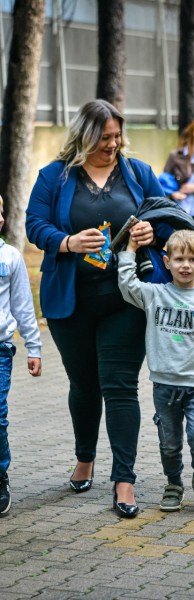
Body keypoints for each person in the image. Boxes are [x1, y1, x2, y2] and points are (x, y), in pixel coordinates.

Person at [26, 99, 165, 518]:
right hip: (71, 302)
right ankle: (84, 457)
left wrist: (151, 230)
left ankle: (124, 480)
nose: (113, 144)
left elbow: (167, 216)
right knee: (84, 385)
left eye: (117, 136)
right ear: (85, 135)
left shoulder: (137, 172)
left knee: (119, 386)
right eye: (104, 137)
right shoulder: (55, 176)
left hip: (126, 299)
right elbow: (34, 224)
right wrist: (67, 242)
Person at [118, 229, 194, 514]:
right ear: (166, 261)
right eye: (179, 258)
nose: (186, 265)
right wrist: (129, 250)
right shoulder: (155, 294)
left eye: (192, 259)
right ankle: (173, 483)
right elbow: (127, 284)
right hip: (164, 385)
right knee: (169, 442)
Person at [0, 195, 42, 516]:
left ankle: (0, 475)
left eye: (0, 212)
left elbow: (23, 308)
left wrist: (34, 346)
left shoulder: (10, 257)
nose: (0, 219)